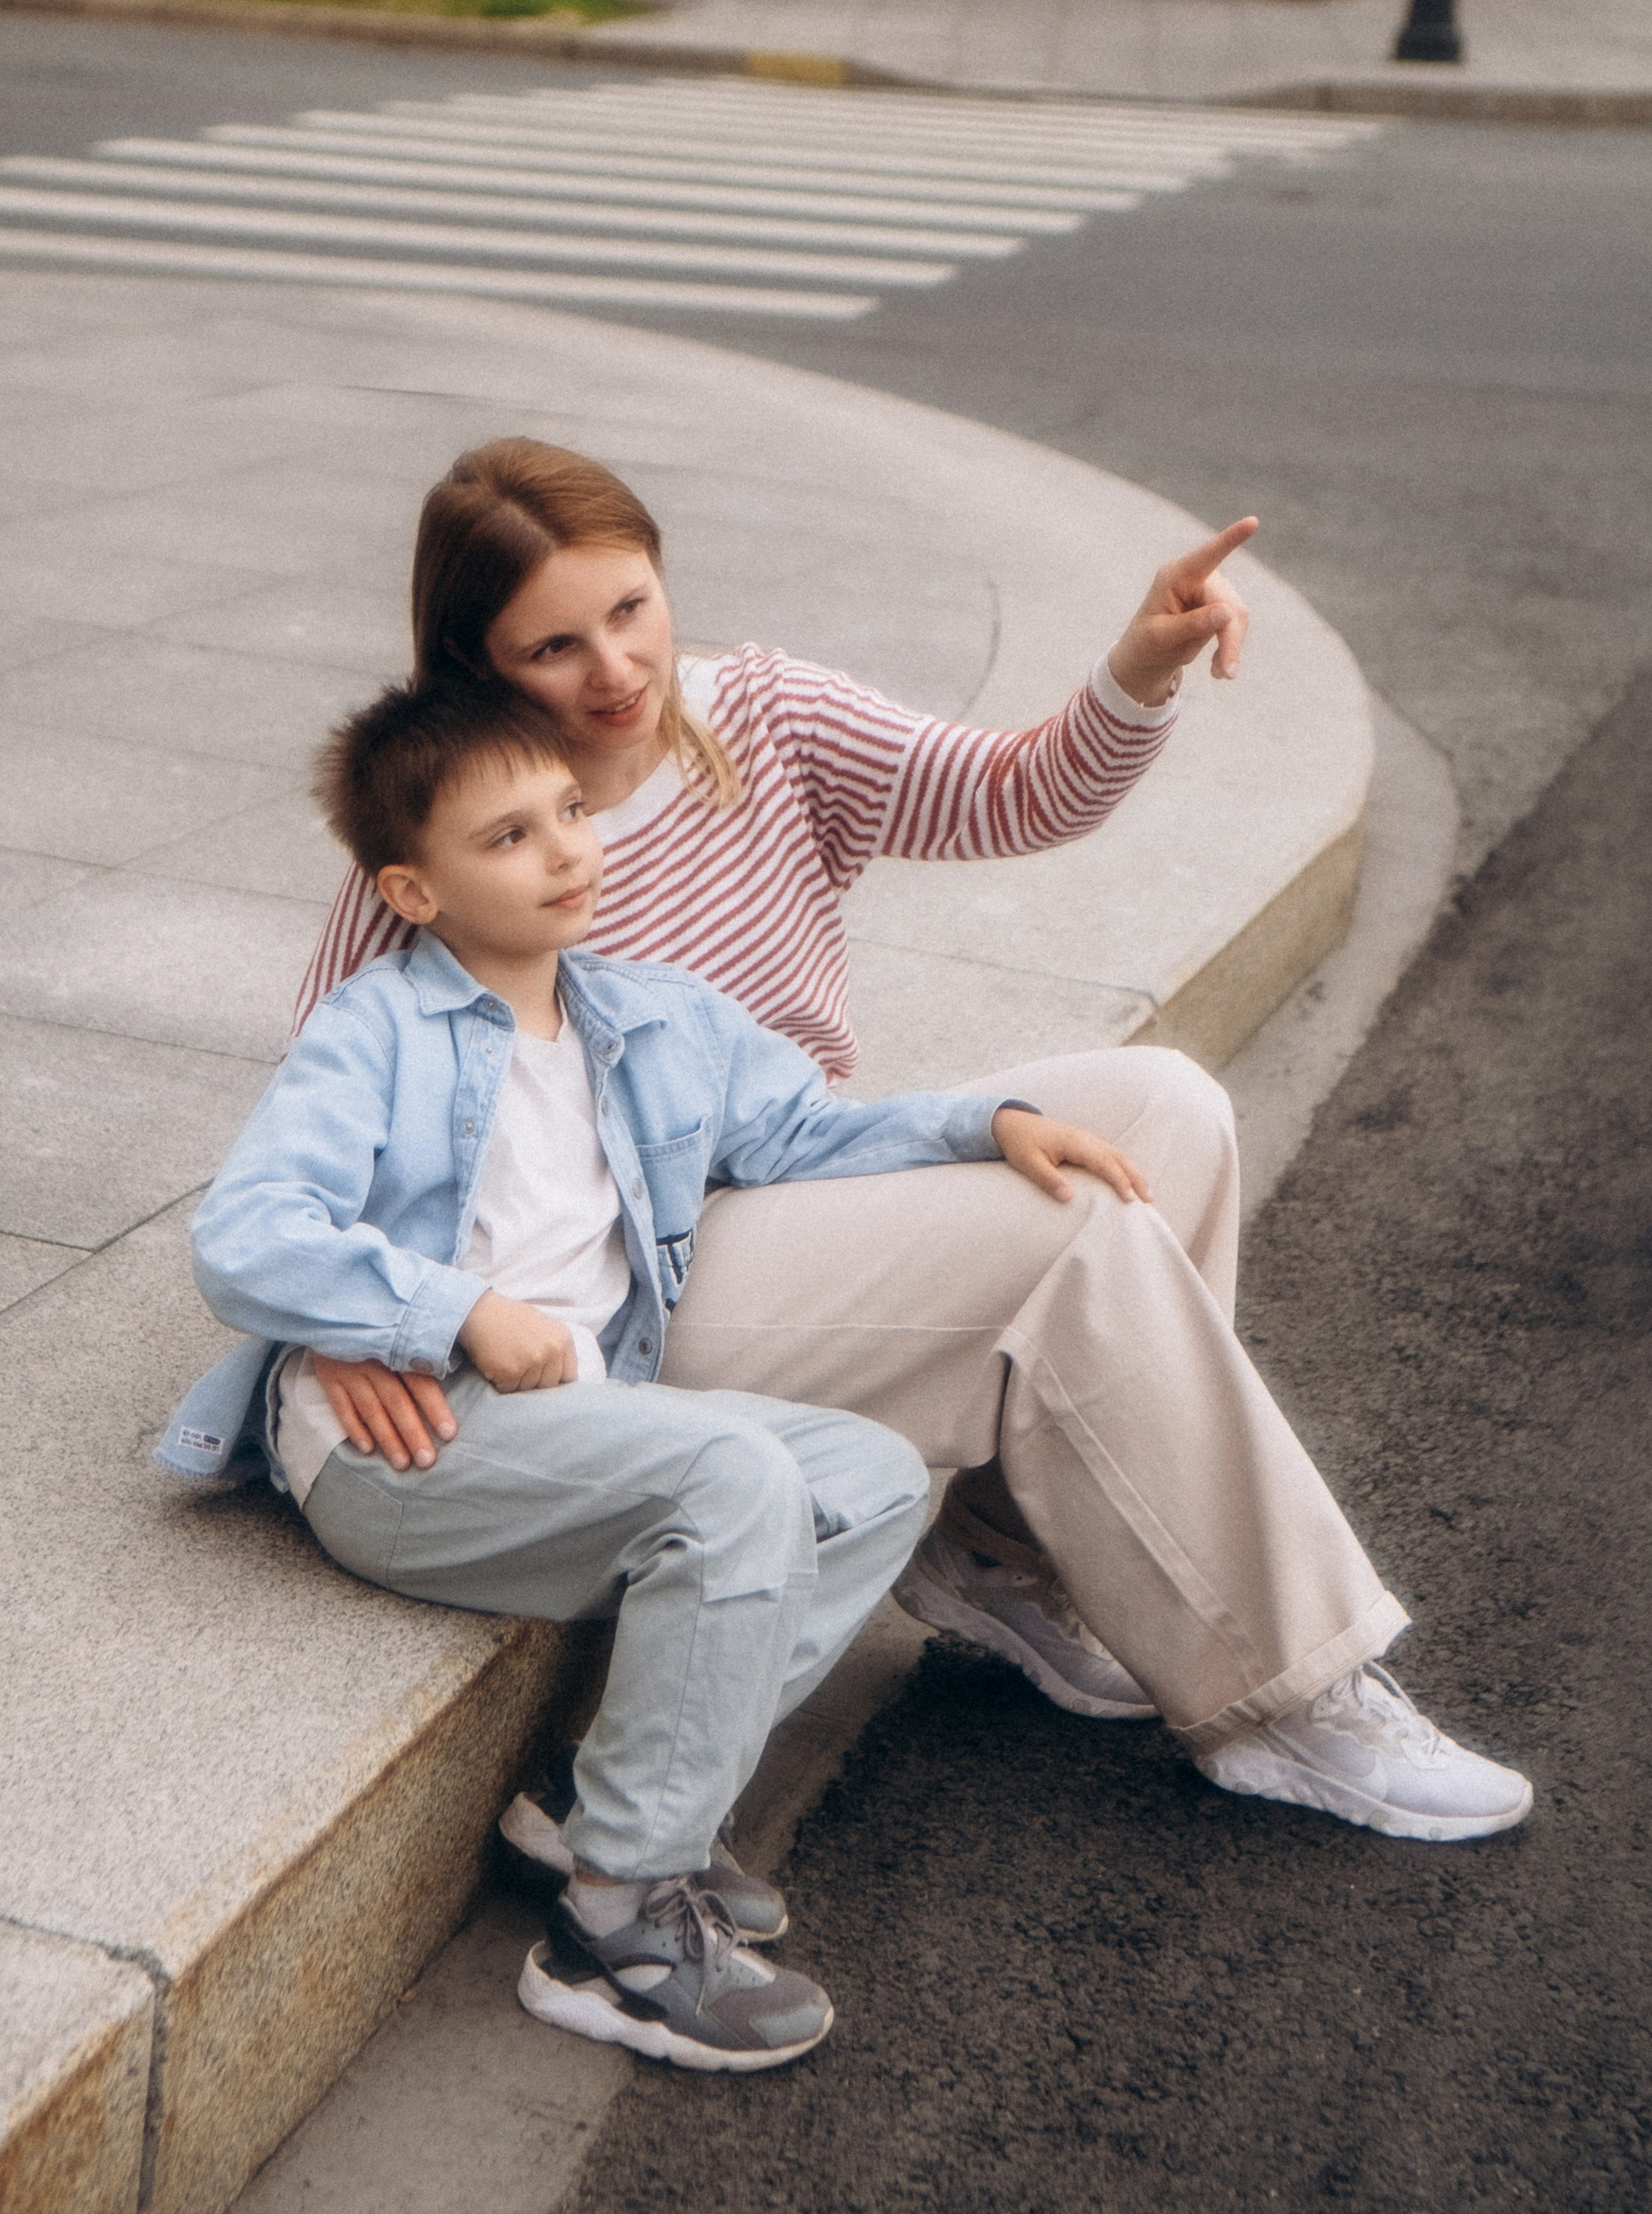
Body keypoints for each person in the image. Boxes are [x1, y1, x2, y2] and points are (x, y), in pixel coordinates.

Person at [286, 439, 1533, 1851]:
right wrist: (357, 1312)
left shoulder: (764, 712)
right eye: (553, 646)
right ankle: (1289, 1690)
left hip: (802, 1158)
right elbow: (327, 1089)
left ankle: (1008, 1558)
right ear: (475, 661)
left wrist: (1138, 670)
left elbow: (1008, 795)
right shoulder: (459, 832)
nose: (614, 669)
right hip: (636, 1270)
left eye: (630, 609)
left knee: (1167, 1114)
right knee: (1071, 1235)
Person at [167, 673, 1118, 2070]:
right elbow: (244, 1235)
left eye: (567, 812)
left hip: (573, 1421)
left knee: (865, 1474)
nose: (564, 851)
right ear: (412, 891)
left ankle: (596, 1798)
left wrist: (992, 1122)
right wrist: (448, 1307)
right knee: (738, 1474)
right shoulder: (371, 1032)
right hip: (406, 1447)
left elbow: (808, 1131)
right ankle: (611, 1926)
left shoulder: (651, 1017)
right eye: (507, 838)